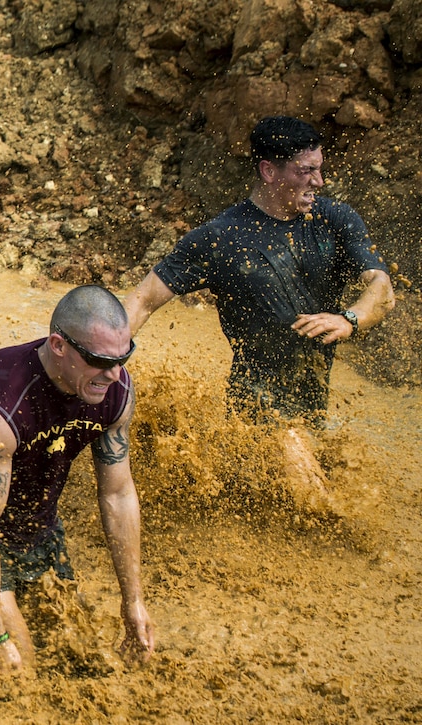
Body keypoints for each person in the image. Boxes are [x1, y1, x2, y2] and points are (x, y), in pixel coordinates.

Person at [123, 116, 395, 510]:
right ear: (269, 170)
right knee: (320, 508)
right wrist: (95, 359)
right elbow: (142, 300)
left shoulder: (334, 220)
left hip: (313, 401)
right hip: (257, 404)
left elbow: (382, 290)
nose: (318, 182)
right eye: (306, 172)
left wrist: (349, 319)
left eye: (319, 169)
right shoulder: (220, 238)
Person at [0, 285, 155, 676]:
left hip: (39, 524)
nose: (114, 374)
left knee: (77, 657)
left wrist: (133, 602)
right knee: (21, 668)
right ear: (59, 346)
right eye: (99, 360)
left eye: (123, 357)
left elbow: (117, 494)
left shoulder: (116, 391)